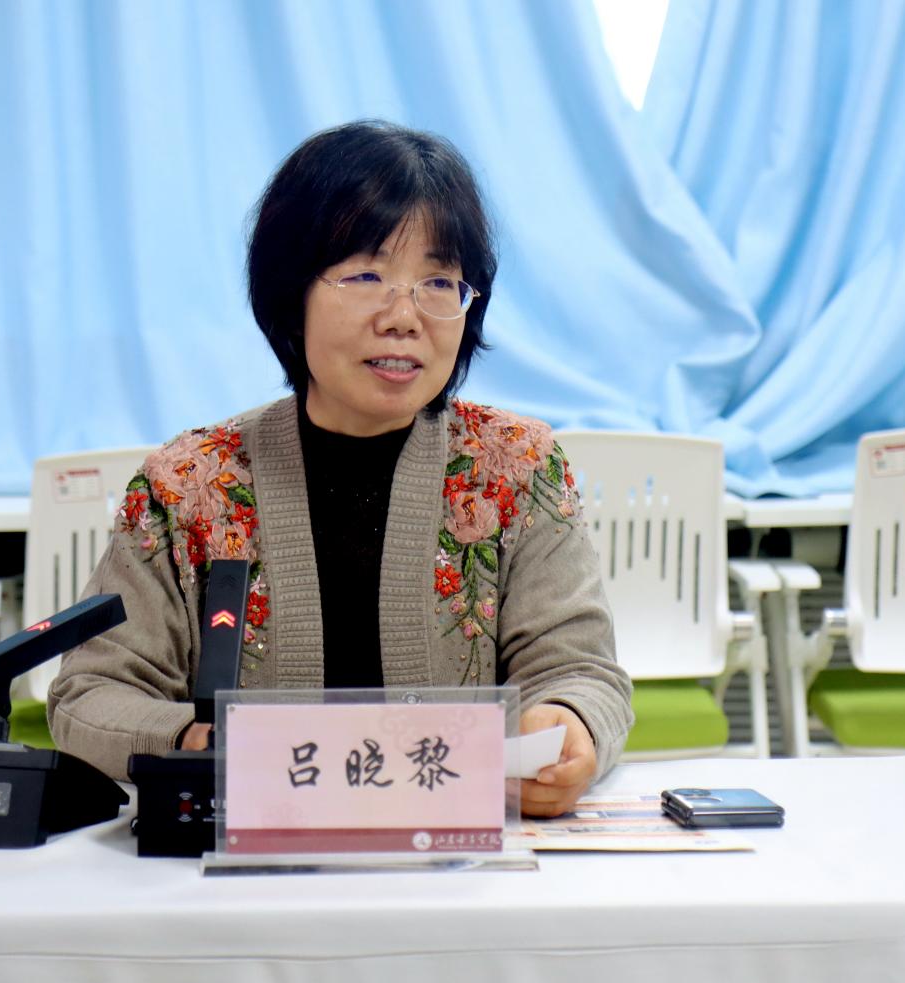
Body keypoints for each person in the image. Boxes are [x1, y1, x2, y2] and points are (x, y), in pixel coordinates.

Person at [48, 121, 632, 817]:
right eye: (365, 276)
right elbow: (91, 695)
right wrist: (201, 744)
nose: (403, 317)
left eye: (438, 282)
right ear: (290, 292)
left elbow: (579, 669)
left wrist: (568, 725)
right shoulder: (188, 484)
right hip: (250, 860)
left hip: (458, 855)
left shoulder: (516, 466)